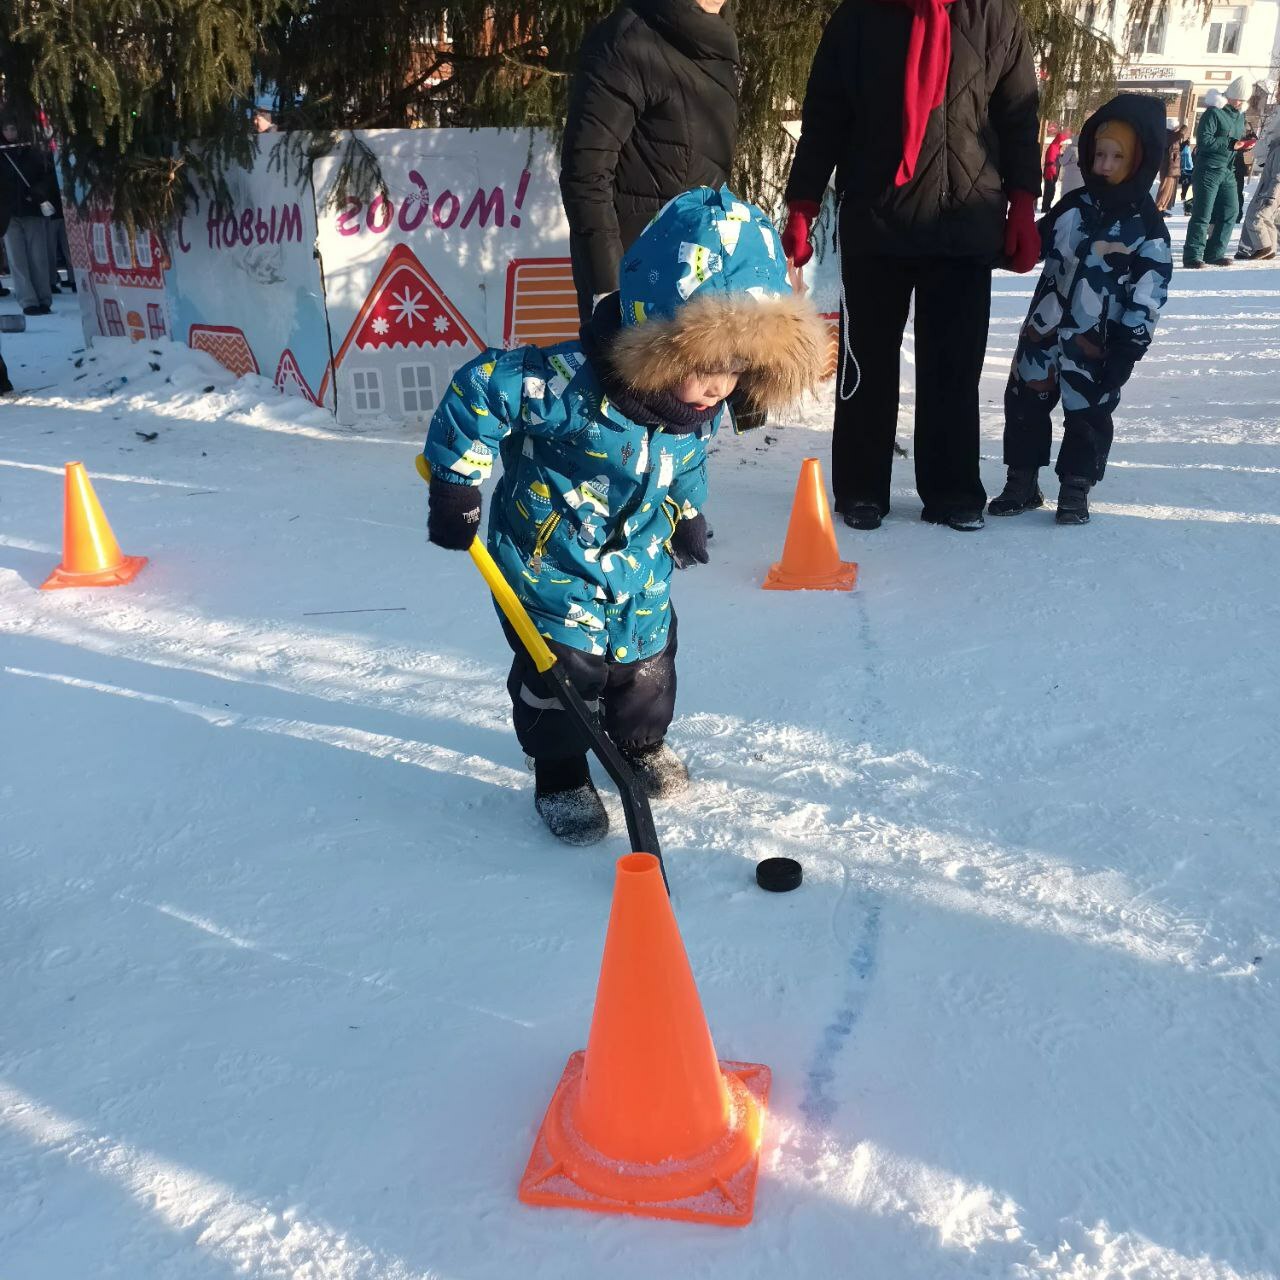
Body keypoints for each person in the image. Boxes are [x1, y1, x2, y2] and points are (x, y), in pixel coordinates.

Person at [421, 187, 826, 844]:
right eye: (706, 365)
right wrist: (456, 484)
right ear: (656, 340)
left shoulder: (692, 409)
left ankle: (638, 744)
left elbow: (684, 463)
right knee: (561, 675)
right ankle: (560, 773)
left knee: (648, 665)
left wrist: (687, 513)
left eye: (737, 367)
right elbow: (481, 390)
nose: (720, 385)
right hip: (551, 565)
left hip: (639, 565)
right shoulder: (565, 383)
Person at [781, 0, 1042, 534]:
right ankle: (861, 488)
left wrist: (1023, 202)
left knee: (954, 368)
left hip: (964, 220)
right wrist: (803, 204)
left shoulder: (994, 16)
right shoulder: (857, 18)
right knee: (866, 366)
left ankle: (952, 490)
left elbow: (1018, 117)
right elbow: (825, 118)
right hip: (876, 219)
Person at [989, 95, 1172, 526]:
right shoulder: (1073, 206)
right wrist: (999, 245)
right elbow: (1033, 244)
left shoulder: (1147, 225)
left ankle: (1076, 487)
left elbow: (1150, 294)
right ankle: (1022, 482)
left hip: (1098, 342)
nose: (1104, 165)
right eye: (1098, 154)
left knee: (1088, 414)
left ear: (1139, 160)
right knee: (1024, 402)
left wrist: (1128, 348)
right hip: (1043, 330)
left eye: (1117, 157)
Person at [559, 0, 738, 326]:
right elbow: (585, 173)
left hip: (699, 280)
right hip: (638, 289)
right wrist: (610, 292)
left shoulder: (716, 45)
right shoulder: (628, 41)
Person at [1184, 82, 1252, 268]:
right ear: (1229, 95)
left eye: (1243, 100)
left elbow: (1234, 140)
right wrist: (1229, 143)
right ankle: (1192, 256)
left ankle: (1214, 253)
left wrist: (1244, 143)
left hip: (1228, 170)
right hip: (1208, 168)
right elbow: (1204, 140)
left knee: (1231, 211)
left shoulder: (1239, 116)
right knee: (1203, 213)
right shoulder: (1213, 112)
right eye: (1238, 98)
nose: (1240, 103)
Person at [0, 115, 55, 315]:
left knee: (38, 257)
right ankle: (27, 301)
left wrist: (38, 192)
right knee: (17, 260)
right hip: (8, 213)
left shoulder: (33, 151)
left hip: (32, 210)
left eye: (13, 129)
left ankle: (43, 298)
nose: (10, 133)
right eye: (6, 129)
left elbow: (47, 176)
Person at [1237, 81, 1280, 260]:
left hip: (1274, 168)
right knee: (1267, 213)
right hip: (1270, 159)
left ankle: (1263, 246)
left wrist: (1260, 153)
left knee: (1260, 212)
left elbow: (1270, 134)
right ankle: (1265, 247)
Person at [1155, 123, 1184, 213]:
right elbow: (1184, 129)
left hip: (1171, 166)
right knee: (1165, 187)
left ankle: (1162, 208)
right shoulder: (1170, 136)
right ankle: (1159, 208)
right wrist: (1181, 128)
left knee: (1168, 189)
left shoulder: (1171, 136)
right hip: (1168, 166)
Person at [1042, 129, 1071, 212]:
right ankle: (1045, 208)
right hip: (1050, 173)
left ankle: (1047, 207)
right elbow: (1051, 162)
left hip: (1053, 172)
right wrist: (1053, 173)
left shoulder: (1056, 148)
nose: (1063, 143)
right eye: (1062, 141)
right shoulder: (1053, 148)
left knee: (1051, 191)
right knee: (1049, 191)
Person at [1180, 132, 1195, 209]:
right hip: (1185, 169)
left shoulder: (1188, 148)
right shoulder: (1184, 147)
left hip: (1190, 169)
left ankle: (1184, 198)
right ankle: (1183, 197)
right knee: (1185, 183)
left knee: (1187, 183)